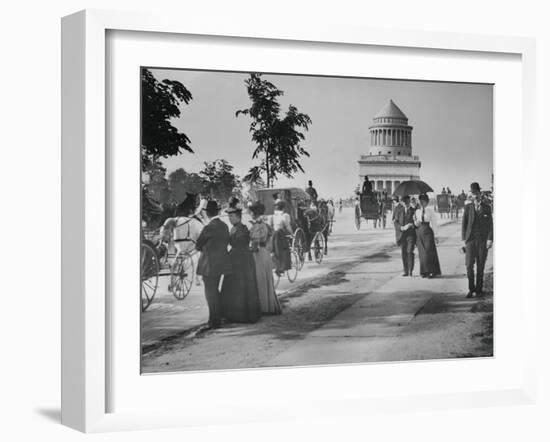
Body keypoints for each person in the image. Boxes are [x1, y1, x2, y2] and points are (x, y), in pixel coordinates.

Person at [220, 201, 261, 323]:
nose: (230, 219)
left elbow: (239, 242)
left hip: (242, 259)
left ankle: (242, 315)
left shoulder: (241, 229)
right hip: (236, 258)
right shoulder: (234, 228)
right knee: (234, 286)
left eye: (232, 216)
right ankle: (233, 314)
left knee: (241, 286)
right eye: (229, 217)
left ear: (238, 217)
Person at [195, 200, 231, 329]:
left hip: (208, 265)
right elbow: (227, 241)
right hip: (222, 263)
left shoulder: (208, 228)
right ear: (217, 212)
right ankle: (217, 318)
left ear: (207, 214)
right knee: (215, 290)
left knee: (210, 293)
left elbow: (198, 245)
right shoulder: (224, 226)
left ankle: (214, 321)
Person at [249, 201, 282, 314]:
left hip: (258, 254)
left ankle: (263, 308)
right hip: (266, 253)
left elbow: (254, 244)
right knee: (267, 280)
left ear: (254, 213)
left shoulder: (257, 225)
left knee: (260, 280)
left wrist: (247, 249)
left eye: (251, 212)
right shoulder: (265, 224)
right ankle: (269, 306)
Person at [462, 182, 493, 298]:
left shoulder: (487, 207)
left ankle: (479, 290)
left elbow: (491, 225)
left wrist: (490, 239)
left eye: (476, 193)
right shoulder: (468, 207)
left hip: (482, 241)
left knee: (480, 265)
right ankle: (471, 289)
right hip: (470, 240)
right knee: (469, 265)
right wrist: (463, 240)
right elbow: (464, 225)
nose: (475, 195)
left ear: (480, 193)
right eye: (473, 193)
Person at [414, 194, 441, 278]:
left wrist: (436, 235)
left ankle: (432, 271)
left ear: (427, 202)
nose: (422, 203)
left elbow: (434, 223)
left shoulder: (430, 211)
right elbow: (416, 223)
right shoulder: (417, 211)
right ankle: (424, 271)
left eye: (423, 201)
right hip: (419, 232)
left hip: (428, 232)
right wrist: (416, 222)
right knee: (422, 253)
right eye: (420, 201)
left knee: (429, 252)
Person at [394, 195, 416, 276]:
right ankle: (405, 271)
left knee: (409, 251)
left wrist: (412, 224)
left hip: (411, 235)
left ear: (409, 201)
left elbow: (417, 222)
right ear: (402, 203)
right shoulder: (398, 211)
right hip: (402, 235)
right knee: (404, 253)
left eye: (407, 202)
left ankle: (410, 270)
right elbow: (395, 222)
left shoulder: (414, 211)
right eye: (404, 202)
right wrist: (402, 227)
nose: (406, 204)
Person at [270, 200, 292, 276]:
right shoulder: (285, 215)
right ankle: (282, 267)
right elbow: (287, 226)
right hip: (281, 235)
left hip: (273, 235)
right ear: (283, 208)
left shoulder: (272, 216)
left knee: (274, 251)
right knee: (284, 250)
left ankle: (276, 266)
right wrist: (292, 233)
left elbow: (271, 226)